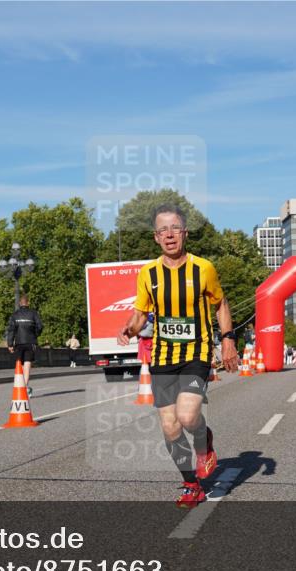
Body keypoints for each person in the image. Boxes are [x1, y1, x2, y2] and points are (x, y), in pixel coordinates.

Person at [117, 204, 239, 509]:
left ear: (184, 232)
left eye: (174, 228)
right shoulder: (148, 273)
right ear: (156, 238)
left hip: (195, 353)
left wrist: (228, 340)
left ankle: (204, 439)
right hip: (162, 356)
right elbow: (140, 314)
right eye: (163, 230)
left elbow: (221, 303)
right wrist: (129, 331)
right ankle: (191, 484)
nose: (169, 235)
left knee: (187, 417)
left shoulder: (204, 268)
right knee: (170, 427)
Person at [5, 294, 44, 395]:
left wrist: (10, 344)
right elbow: (40, 326)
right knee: (27, 363)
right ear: (28, 303)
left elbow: (11, 330)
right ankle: (25, 387)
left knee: (20, 364)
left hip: (19, 343)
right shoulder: (33, 313)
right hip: (30, 342)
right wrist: (36, 334)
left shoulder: (15, 315)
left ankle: (20, 385)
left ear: (20, 303)